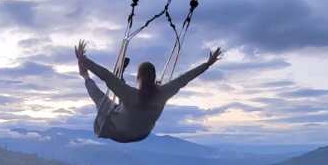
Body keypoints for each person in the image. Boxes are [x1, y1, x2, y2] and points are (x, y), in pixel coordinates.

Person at [75, 39, 222, 143]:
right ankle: (120, 79)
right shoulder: (164, 92)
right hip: (142, 134)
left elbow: (106, 76)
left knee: (103, 100)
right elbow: (186, 78)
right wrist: (207, 64)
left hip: (119, 132)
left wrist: (84, 61)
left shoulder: (131, 95)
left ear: (138, 77)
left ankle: (86, 77)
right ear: (155, 77)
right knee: (122, 99)